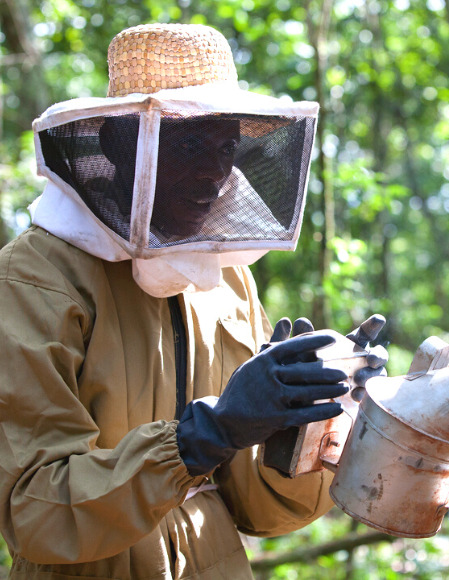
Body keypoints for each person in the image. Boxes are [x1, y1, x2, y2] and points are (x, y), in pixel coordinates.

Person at [0, 23, 386, 579]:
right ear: (118, 143)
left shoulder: (224, 279)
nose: (214, 171)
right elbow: (35, 509)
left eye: (225, 145)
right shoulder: (34, 279)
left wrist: (301, 425)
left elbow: (257, 509)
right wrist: (210, 432)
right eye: (188, 143)